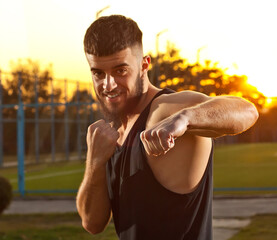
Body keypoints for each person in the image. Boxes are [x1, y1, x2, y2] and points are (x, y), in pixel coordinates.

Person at [76, 15, 258, 240]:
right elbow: (92, 223)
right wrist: (95, 162)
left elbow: (247, 111)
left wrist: (184, 118)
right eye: (98, 73)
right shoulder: (113, 134)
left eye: (120, 71)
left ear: (144, 65)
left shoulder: (164, 111)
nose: (108, 85)